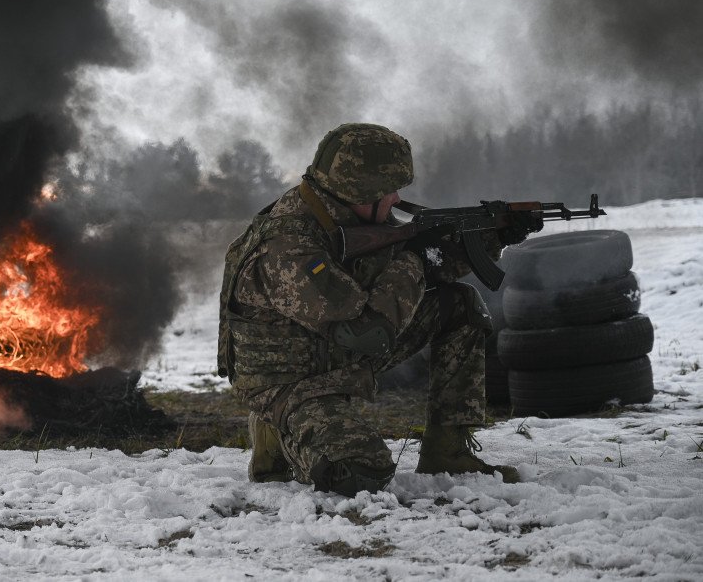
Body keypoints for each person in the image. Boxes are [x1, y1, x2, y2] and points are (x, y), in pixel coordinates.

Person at [218, 123, 522, 497]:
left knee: (459, 304)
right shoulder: (290, 245)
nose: (396, 199)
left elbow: (422, 268)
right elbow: (368, 333)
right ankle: (277, 431)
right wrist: (414, 263)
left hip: (330, 353)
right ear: (359, 190)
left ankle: (448, 451)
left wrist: (492, 238)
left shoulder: (346, 215)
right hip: (287, 380)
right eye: (388, 190)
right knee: (361, 473)